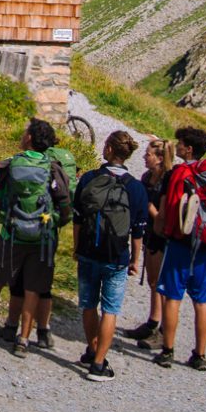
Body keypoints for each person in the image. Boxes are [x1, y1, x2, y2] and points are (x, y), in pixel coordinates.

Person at [0, 118, 72, 356]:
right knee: (33, 290)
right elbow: (66, 206)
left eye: (25, 132)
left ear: (30, 138)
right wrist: (54, 225)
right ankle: (22, 341)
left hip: (11, 235)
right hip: (42, 240)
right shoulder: (54, 168)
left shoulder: (9, 165)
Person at [153, 125, 206, 370]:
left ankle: (167, 350)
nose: (177, 146)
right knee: (202, 301)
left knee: (172, 297)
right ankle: (199, 355)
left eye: (180, 143)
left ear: (188, 149)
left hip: (181, 243)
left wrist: (161, 231)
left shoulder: (180, 173)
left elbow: (170, 207)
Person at [72, 130, 150, 382]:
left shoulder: (89, 178)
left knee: (88, 305)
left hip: (87, 251)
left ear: (108, 150)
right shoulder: (136, 188)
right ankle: (98, 364)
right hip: (117, 256)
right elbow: (137, 231)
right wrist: (135, 260)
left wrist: (76, 247)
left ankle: (92, 349)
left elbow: (77, 219)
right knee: (110, 310)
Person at [0, 136, 82, 349]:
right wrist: (57, 222)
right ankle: (43, 331)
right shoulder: (61, 161)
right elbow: (66, 200)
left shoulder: (28, 162)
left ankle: (11, 326)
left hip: (20, 229)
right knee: (42, 285)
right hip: (47, 232)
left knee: (18, 282)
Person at [123, 137, 174, 345]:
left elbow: (163, 215)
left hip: (164, 236)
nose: (144, 157)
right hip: (151, 233)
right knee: (153, 281)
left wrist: (148, 206)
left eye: (148, 154)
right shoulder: (147, 177)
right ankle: (153, 321)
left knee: (162, 283)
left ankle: (163, 331)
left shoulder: (169, 180)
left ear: (160, 158)